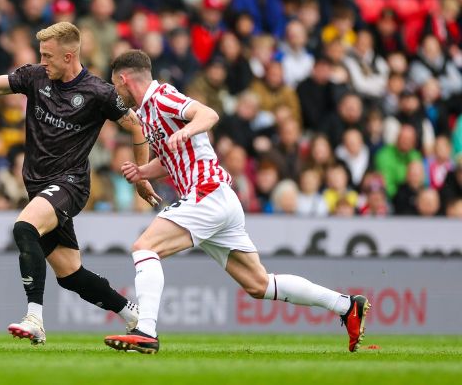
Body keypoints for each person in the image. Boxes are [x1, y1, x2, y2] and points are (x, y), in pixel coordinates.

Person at [103, 50, 370, 354]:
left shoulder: (162, 96)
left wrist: (188, 129)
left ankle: (146, 330)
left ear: (124, 78)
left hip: (206, 193)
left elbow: (209, 115)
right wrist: (142, 171)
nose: (116, 92)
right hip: (219, 199)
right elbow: (173, 160)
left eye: (115, 85)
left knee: (144, 247)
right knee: (259, 285)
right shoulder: (148, 112)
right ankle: (346, 306)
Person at [0, 22, 159, 345]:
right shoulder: (35, 76)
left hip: (70, 183)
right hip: (38, 185)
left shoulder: (98, 93)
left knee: (24, 228)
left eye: (48, 56)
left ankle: (35, 318)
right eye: (41, 55)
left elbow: (137, 125)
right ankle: (133, 316)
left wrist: (141, 175)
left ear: (69, 56)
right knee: (71, 275)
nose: (43, 61)